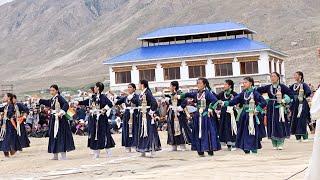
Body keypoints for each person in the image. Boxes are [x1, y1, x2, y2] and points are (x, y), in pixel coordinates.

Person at [223, 77, 267, 154]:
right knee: (243, 131)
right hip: (244, 115)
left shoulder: (255, 93)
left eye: (245, 82)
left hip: (252, 115)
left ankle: (253, 147)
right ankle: (245, 147)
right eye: (243, 83)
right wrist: (226, 103)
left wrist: (257, 109)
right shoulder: (243, 93)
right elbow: (235, 100)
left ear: (250, 83)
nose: (244, 84)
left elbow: (263, 102)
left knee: (252, 131)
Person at [180, 78, 221, 157]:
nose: (198, 84)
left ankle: (209, 148)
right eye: (197, 83)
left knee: (207, 132)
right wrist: (181, 95)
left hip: (206, 116)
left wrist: (210, 108)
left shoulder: (208, 93)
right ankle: (200, 149)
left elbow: (215, 101)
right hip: (198, 115)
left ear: (204, 84)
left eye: (199, 83)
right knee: (197, 132)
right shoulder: (196, 93)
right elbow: (188, 94)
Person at [77, 82, 115, 159]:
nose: (94, 88)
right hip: (94, 118)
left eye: (95, 87)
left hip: (101, 118)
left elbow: (110, 104)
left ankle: (109, 152)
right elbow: (87, 101)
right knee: (94, 134)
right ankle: (96, 152)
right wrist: (78, 102)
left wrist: (104, 109)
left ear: (98, 88)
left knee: (104, 133)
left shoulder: (103, 96)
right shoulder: (93, 97)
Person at [256, 72, 294, 150]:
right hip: (270, 107)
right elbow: (257, 91)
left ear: (278, 77)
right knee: (271, 123)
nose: (272, 78)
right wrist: (262, 100)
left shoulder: (283, 87)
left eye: (274, 76)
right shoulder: (268, 87)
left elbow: (291, 94)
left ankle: (280, 142)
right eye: (271, 76)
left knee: (280, 123)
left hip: (279, 107)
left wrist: (284, 100)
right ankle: (274, 143)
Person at [37, 84, 75, 160]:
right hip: (53, 119)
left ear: (57, 90)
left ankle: (63, 156)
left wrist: (61, 112)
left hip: (60, 120)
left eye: (53, 90)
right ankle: (55, 155)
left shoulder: (59, 97)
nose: (51, 91)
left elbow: (66, 104)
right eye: (50, 90)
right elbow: (48, 102)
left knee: (60, 136)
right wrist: (40, 100)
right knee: (53, 136)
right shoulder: (53, 99)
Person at [136, 80, 161, 157]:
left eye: (139, 84)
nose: (138, 85)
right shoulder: (142, 93)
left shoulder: (148, 93)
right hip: (142, 114)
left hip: (147, 115)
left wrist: (151, 112)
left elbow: (154, 103)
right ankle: (143, 149)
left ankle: (152, 149)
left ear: (142, 85)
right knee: (142, 131)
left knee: (150, 131)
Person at [165, 81, 192, 151]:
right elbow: (170, 103)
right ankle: (174, 145)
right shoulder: (170, 95)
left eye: (170, 86)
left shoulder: (180, 93)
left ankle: (182, 144)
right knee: (171, 128)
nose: (169, 87)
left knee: (180, 128)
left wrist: (180, 108)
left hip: (179, 114)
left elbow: (185, 101)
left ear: (174, 87)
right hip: (171, 113)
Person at [115, 83, 140, 152]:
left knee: (134, 129)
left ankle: (134, 145)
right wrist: (113, 98)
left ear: (134, 89)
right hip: (127, 114)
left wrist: (128, 95)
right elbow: (117, 102)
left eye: (130, 87)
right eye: (128, 87)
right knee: (126, 129)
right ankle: (127, 145)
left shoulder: (137, 96)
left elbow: (137, 101)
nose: (129, 88)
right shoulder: (125, 97)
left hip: (134, 114)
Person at [289, 71, 312, 142]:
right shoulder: (293, 86)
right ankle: (298, 137)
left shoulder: (304, 85)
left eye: (296, 75)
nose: (294, 76)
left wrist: (303, 96)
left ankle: (305, 136)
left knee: (302, 120)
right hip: (294, 105)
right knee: (295, 120)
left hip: (302, 104)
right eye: (294, 75)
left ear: (300, 76)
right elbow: (288, 92)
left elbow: (308, 92)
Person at [216, 80, 238, 151]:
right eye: (224, 84)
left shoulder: (234, 94)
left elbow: (238, 101)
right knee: (225, 128)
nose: (224, 86)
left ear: (229, 86)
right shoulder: (222, 94)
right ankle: (228, 144)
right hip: (224, 113)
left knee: (231, 127)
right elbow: (215, 98)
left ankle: (234, 143)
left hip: (231, 113)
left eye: (225, 84)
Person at [0, 93, 24, 157]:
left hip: (9, 124)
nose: (3, 97)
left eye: (5, 96)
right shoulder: (7, 105)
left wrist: (8, 117)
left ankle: (9, 151)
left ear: (9, 97)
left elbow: (10, 115)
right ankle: (10, 151)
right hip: (6, 124)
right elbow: (1, 109)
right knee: (7, 138)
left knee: (8, 138)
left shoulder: (11, 105)